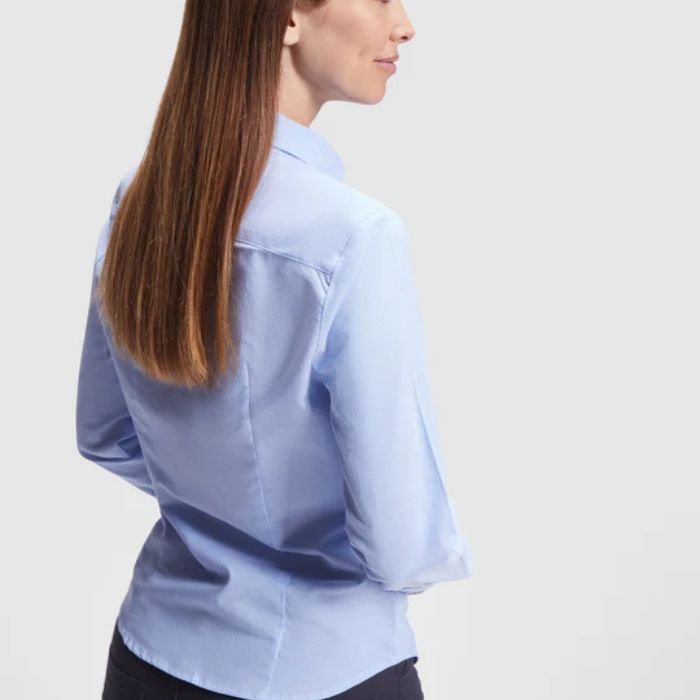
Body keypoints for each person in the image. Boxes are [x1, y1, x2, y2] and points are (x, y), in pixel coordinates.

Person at [76, 1, 473, 698]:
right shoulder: (353, 236)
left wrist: (216, 503)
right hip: (322, 668)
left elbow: (104, 435)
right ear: (288, 16)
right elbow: (403, 542)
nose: (405, 24)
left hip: (150, 654)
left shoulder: (139, 196)